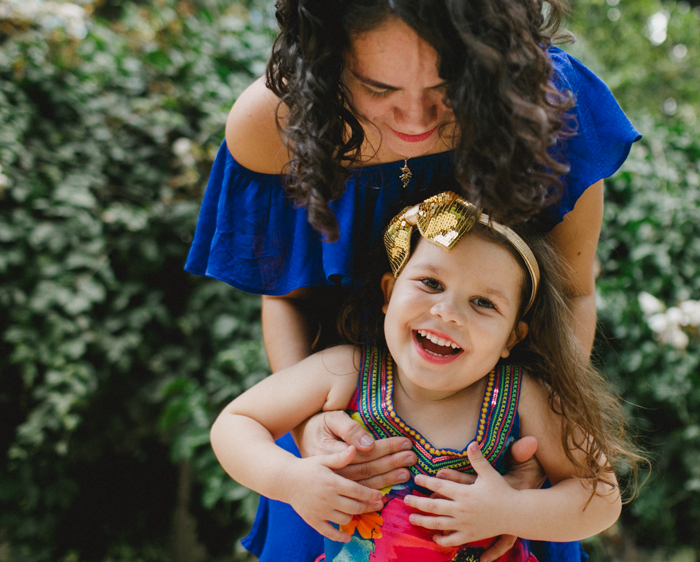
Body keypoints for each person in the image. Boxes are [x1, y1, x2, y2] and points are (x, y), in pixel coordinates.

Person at [184, 0, 640, 560]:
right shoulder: (272, 125)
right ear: (328, 64)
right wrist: (312, 440)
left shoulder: (553, 106)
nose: (417, 121)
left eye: (449, 86)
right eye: (378, 89)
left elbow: (569, 293)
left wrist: (525, 484)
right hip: (342, 473)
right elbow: (288, 300)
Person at [210, 192, 638, 562]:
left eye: (483, 303)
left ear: (513, 336)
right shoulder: (345, 370)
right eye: (430, 282)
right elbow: (235, 424)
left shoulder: (522, 397)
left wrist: (510, 510)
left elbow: (601, 497)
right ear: (387, 293)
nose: (447, 312)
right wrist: (292, 480)